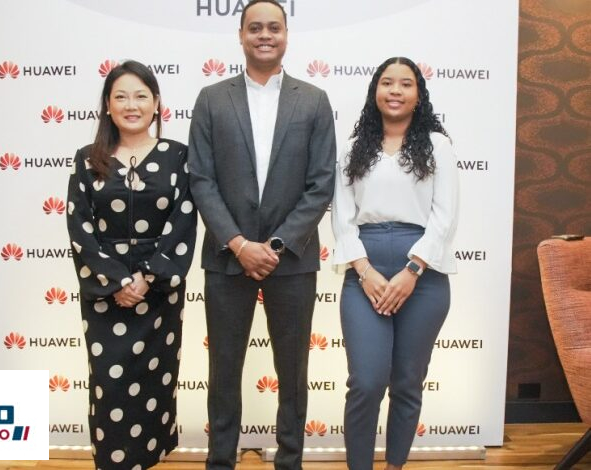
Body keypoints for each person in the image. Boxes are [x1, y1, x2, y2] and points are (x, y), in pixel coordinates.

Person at [188, 1, 336, 468]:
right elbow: (201, 180)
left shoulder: (313, 100)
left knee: (293, 373)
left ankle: (289, 461)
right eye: (255, 28)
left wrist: (272, 246)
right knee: (223, 371)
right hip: (226, 257)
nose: (265, 35)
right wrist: (238, 243)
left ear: (286, 35)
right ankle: (220, 462)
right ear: (240, 35)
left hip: (291, 260)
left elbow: (321, 184)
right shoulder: (212, 98)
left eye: (274, 27)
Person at [66, 60, 196, 469]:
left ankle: (150, 460)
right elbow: (80, 228)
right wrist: (118, 281)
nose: (131, 105)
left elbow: (183, 220)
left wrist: (149, 277)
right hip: (106, 294)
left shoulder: (178, 156)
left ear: (156, 103)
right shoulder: (88, 159)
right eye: (120, 96)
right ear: (107, 105)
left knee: (154, 383)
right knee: (110, 386)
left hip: (159, 293)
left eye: (141, 96)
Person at [331, 57, 459, 470]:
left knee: (407, 382)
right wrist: (365, 272)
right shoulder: (353, 147)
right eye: (387, 83)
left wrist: (413, 270)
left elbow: (445, 215)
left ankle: (395, 465)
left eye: (406, 84)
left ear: (419, 95)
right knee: (366, 382)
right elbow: (342, 217)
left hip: (423, 275)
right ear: (375, 91)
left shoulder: (437, 145)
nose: (396, 91)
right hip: (364, 272)